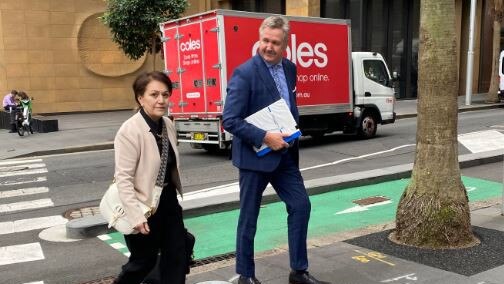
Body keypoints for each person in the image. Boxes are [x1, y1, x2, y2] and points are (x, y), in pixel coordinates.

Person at [222, 16, 329, 284]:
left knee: (301, 206)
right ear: (259, 38)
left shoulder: (291, 68)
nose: (269, 47)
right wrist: (265, 137)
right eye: (265, 40)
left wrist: (291, 130)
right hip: (254, 158)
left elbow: (287, 105)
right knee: (249, 219)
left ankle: (299, 272)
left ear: (285, 45)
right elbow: (230, 119)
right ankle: (246, 276)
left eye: (275, 43)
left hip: (285, 155)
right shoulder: (244, 73)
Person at [113, 71, 188, 284]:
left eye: (165, 94)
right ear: (140, 98)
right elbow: (123, 178)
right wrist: (135, 215)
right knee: (143, 262)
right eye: (154, 94)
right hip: (142, 205)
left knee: (176, 258)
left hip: (168, 200)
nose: (161, 100)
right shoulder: (129, 130)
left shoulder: (168, 125)